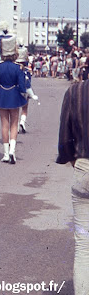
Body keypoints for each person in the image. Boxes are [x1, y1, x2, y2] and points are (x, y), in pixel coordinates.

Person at [0, 21, 38, 164]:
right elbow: (22, 86)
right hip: (14, 96)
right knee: (14, 124)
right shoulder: (18, 67)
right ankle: (13, 151)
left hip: (2, 96)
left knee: (4, 125)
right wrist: (28, 95)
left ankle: (6, 154)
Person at [57, 78, 89, 294]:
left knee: (84, 247)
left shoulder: (75, 92)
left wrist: (76, 163)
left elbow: (65, 140)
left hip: (84, 169)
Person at [15, 40, 36, 133]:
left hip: (15, 90)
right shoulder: (27, 70)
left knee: (15, 109)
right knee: (25, 108)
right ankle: (22, 122)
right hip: (26, 90)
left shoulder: (15, 68)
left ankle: (15, 126)